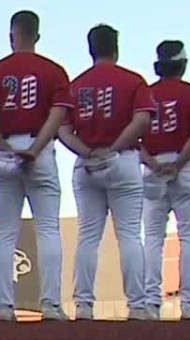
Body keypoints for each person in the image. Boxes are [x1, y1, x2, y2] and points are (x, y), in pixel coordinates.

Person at [0, 10, 70, 322]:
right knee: (47, 229)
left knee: (5, 231)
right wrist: (35, 148)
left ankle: (4, 307)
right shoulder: (54, 71)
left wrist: (5, 148)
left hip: (7, 150)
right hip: (39, 148)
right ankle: (51, 305)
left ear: (11, 35)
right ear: (38, 36)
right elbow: (58, 114)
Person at [58, 24, 156, 321]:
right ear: (116, 47)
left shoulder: (76, 85)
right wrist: (115, 147)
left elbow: (62, 130)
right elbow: (142, 120)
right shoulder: (133, 81)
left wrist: (87, 151)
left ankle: (84, 304)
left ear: (90, 49)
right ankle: (137, 305)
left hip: (87, 161)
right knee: (128, 235)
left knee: (88, 236)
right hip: (122, 158)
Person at [139, 41, 190, 320]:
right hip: (186, 166)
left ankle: (149, 302)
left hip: (154, 166)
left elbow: (134, 135)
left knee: (153, 238)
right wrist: (180, 162)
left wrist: (153, 162)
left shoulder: (146, 94)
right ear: (182, 64)